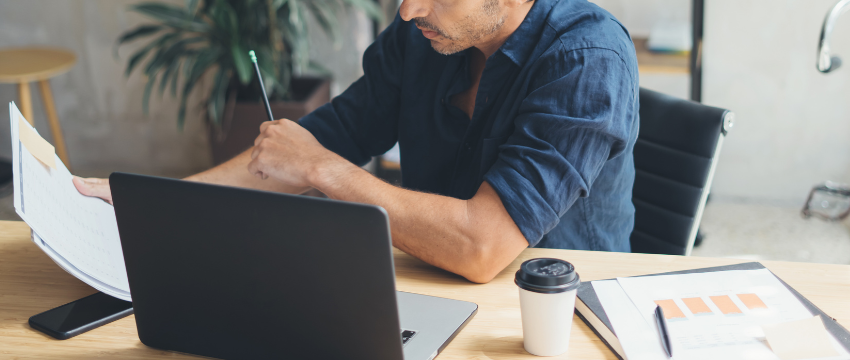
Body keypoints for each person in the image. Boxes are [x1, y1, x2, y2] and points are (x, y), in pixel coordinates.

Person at [76, 0, 638, 283]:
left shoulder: (586, 60)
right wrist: (155, 203)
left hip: (556, 315)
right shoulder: (422, 37)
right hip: (429, 284)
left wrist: (322, 170)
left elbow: (482, 247)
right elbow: (320, 141)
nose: (407, 10)